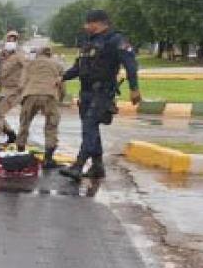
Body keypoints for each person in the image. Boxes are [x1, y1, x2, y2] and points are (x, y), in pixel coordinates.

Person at [59, 9, 141, 180]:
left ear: (98, 23)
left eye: (88, 23)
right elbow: (78, 67)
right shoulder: (88, 42)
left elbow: (130, 65)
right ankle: (97, 167)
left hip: (103, 92)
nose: (85, 26)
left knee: (89, 127)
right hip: (86, 92)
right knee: (90, 129)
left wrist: (134, 89)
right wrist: (62, 78)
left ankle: (78, 165)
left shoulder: (116, 40)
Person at [16, 45, 64, 169]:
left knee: (24, 123)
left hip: (30, 94)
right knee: (51, 125)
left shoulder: (30, 64)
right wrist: (60, 99)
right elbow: (62, 83)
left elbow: (21, 83)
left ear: (38, 53)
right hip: (50, 95)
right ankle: (48, 158)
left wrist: (22, 97)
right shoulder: (57, 65)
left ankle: (20, 151)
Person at [0, 30, 27, 144]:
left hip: (15, 90)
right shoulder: (2, 55)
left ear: (17, 41)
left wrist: (22, 84)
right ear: (6, 39)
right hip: (3, 89)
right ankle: (11, 134)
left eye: (14, 39)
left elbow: (26, 69)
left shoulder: (20, 54)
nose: (11, 41)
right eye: (9, 38)